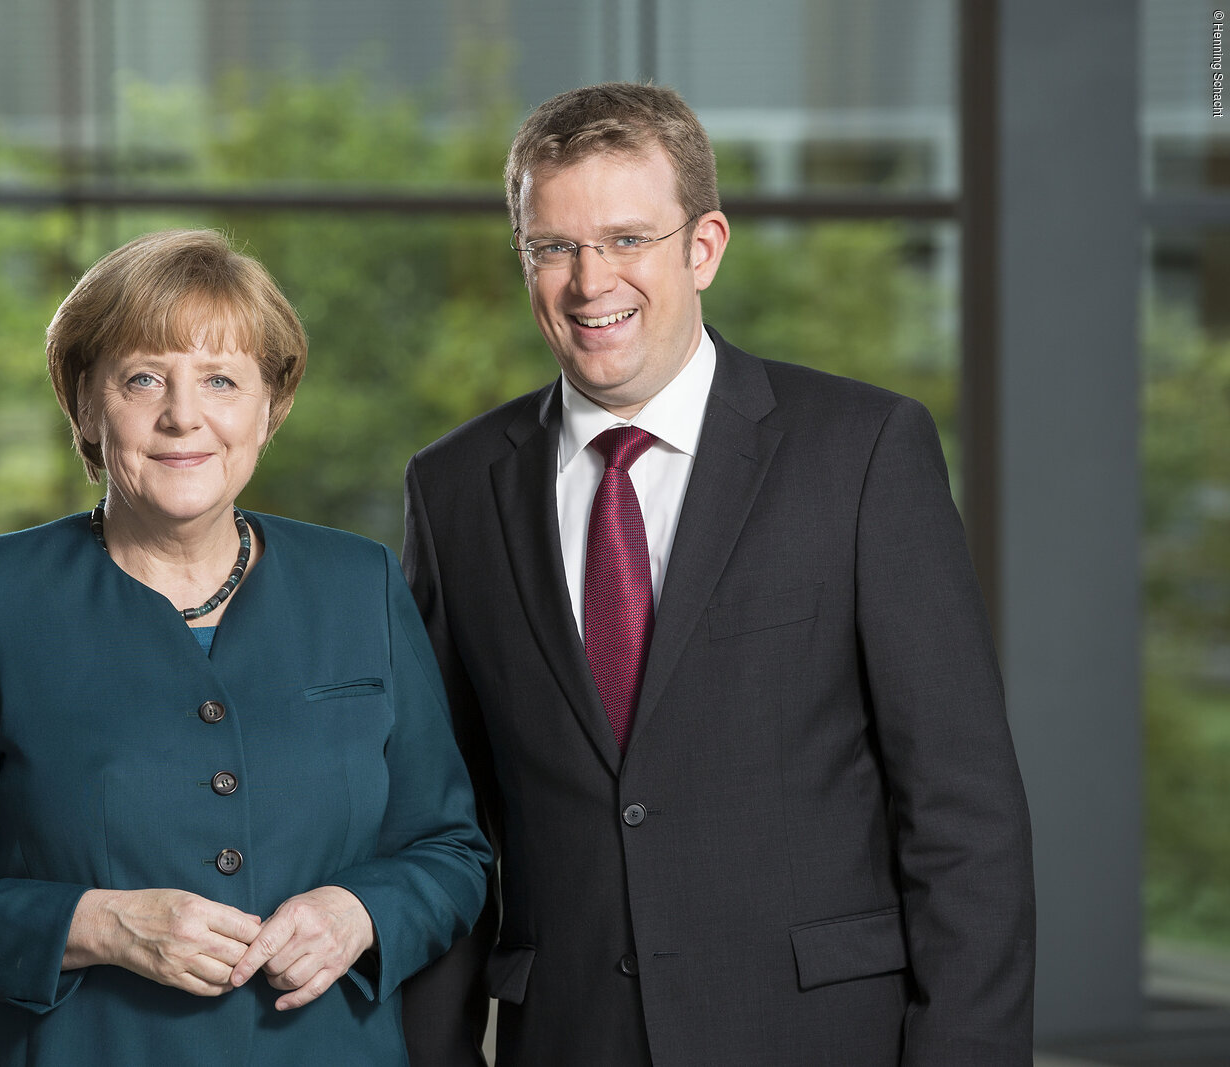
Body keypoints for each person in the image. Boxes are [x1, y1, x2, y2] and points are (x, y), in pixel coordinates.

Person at [399, 83, 1035, 1065]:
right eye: (553, 247)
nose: (589, 281)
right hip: (570, 1037)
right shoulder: (454, 488)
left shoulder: (861, 451)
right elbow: (445, 820)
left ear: (703, 246)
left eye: (626, 239)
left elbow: (963, 812)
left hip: (816, 1035)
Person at [0, 228, 490, 1066]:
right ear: (85, 403)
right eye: (143, 378)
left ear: (270, 405)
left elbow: (450, 849)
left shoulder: (359, 583)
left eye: (221, 379)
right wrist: (101, 924)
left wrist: (359, 912)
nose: (184, 415)